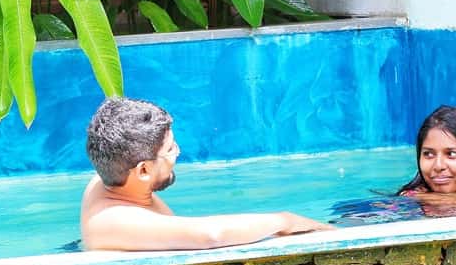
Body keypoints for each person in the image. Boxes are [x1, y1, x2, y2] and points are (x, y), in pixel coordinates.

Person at [81, 97, 332, 251]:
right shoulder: (114, 221)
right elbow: (211, 236)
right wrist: (284, 220)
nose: (177, 154)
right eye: (170, 150)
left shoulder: (111, 178)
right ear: (143, 170)